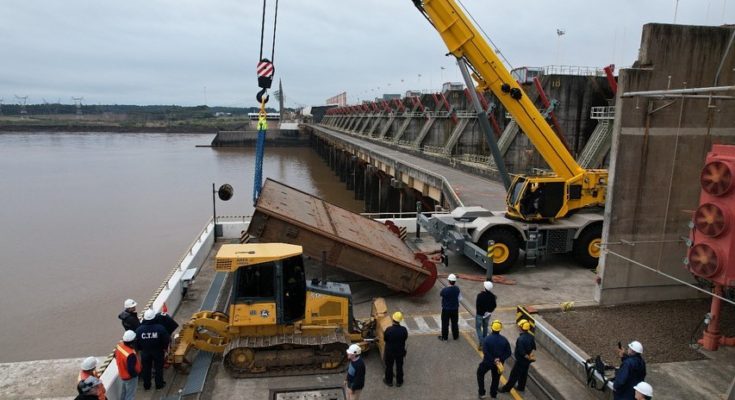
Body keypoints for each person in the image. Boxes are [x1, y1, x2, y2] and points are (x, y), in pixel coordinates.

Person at [135, 309, 170, 391]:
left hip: (145, 352)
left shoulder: (139, 330)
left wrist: (141, 348)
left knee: (146, 369)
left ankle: (147, 385)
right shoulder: (160, 328)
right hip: (158, 351)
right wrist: (164, 348)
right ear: (154, 318)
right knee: (159, 368)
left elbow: (136, 342)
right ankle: (159, 384)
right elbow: (166, 339)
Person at [499, 319, 536, 393]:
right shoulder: (531, 336)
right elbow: (533, 347)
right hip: (527, 361)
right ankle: (521, 387)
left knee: (514, 375)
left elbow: (521, 352)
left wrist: (526, 356)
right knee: (524, 374)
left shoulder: (520, 339)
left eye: (519, 326)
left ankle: (506, 389)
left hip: (521, 361)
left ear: (521, 328)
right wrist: (530, 357)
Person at [477, 320, 511, 399]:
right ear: (500, 329)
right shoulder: (504, 340)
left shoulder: (487, 339)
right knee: (496, 378)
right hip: (499, 364)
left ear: (492, 328)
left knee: (480, 373)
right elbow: (508, 353)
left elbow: (485, 352)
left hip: (488, 362)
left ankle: (482, 393)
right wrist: (499, 359)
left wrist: (493, 360)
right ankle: (493, 394)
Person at [383, 311, 408, 388]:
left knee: (389, 366)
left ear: (393, 319)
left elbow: (385, 339)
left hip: (390, 352)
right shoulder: (404, 330)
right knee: (399, 366)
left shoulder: (388, 330)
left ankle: (389, 381)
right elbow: (405, 338)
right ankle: (399, 382)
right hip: (400, 352)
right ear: (400, 320)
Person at [115, 330, 141, 400]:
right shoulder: (130, 354)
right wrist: (135, 375)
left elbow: (116, 356)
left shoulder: (120, 346)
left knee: (124, 393)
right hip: (130, 378)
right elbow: (131, 369)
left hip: (123, 374)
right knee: (130, 395)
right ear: (132, 341)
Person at [438, 273, 461, 341]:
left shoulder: (445, 290)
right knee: (454, 323)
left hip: (446, 309)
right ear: (455, 281)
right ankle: (455, 336)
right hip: (455, 309)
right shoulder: (457, 289)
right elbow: (459, 297)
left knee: (445, 323)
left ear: (449, 281)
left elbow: (441, 294)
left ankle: (445, 337)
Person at [475, 281, 497, 349]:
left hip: (480, 314)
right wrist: (489, 311)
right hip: (487, 315)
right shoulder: (493, 296)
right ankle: (484, 341)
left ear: (484, 287)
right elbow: (494, 305)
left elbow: (477, 305)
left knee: (478, 328)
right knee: (485, 327)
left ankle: (482, 343)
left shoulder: (480, 295)